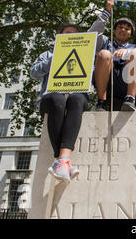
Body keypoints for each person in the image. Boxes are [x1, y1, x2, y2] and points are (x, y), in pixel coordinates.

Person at [30, 24, 88, 183]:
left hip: (76, 94)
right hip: (52, 97)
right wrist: (56, 56)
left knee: (77, 100)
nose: (70, 36)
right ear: (59, 36)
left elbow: (92, 75)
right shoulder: (47, 54)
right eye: (67, 33)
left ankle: (63, 161)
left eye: (74, 34)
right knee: (58, 99)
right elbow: (34, 72)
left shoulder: (85, 53)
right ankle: (61, 160)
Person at [90, 0, 136, 111]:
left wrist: (127, 52)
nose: (123, 30)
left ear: (130, 33)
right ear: (114, 30)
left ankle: (130, 99)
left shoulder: (135, 48)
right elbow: (92, 34)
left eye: (127, 28)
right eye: (120, 27)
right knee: (104, 54)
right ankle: (101, 102)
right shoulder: (105, 42)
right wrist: (107, 12)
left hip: (126, 83)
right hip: (106, 82)